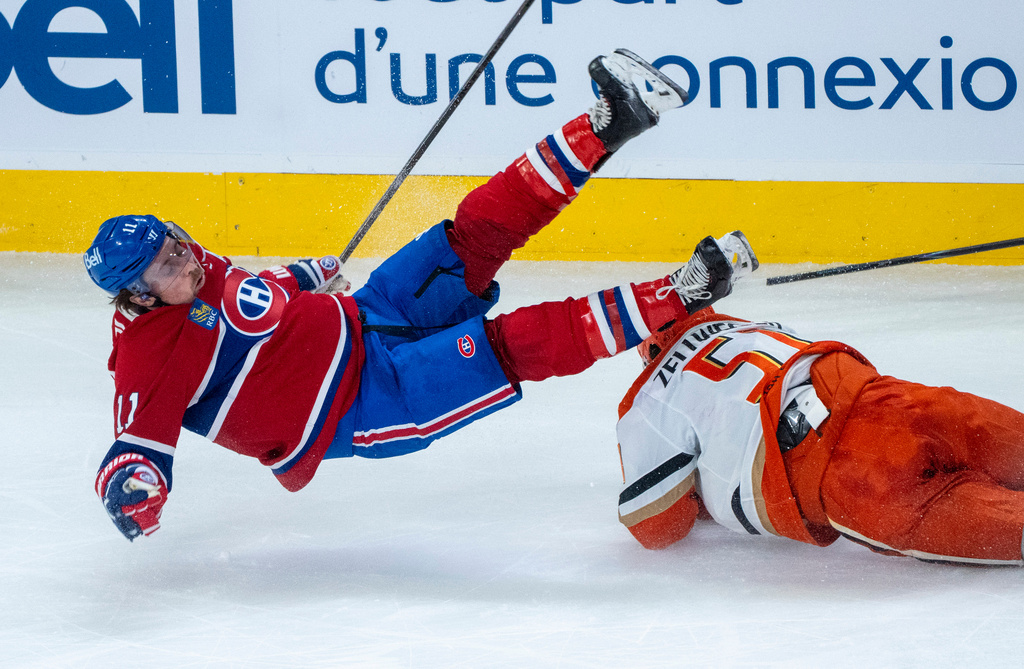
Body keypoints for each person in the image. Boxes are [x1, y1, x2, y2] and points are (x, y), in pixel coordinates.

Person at [84, 49, 760, 542]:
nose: (183, 256)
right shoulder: (149, 356)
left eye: (176, 242)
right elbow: (135, 446)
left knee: (472, 235)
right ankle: (682, 292)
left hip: (368, 313)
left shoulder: (185, 268)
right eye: (165, 263)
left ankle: (609, 122)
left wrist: (304, 277)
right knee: (510, 345)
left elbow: (246, 299)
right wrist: (132, 487)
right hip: (366, 404)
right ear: (137, 298)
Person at [615, 309, 1024, 565]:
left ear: (648, 349)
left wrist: (700, 493)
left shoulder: (650, 398)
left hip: (841, 472)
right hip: (890, 399)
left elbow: (657, 527)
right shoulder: (758, 326)